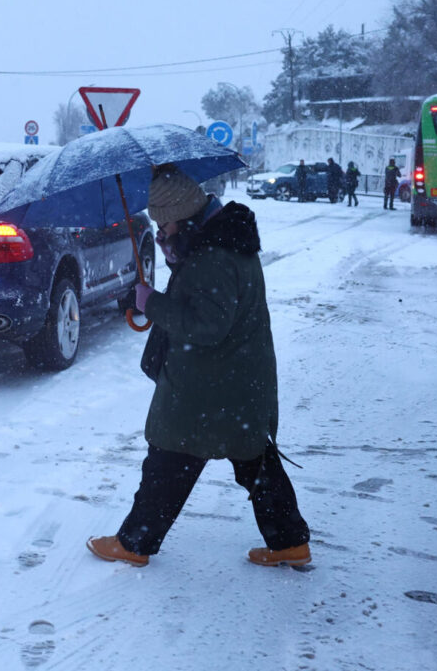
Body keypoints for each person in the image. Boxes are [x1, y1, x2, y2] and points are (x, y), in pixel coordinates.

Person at [87, 165, 312, 569]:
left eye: (164, 226)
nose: (161, 234)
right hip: (236, 380)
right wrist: (173, 265)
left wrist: (151, 303)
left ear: (181, 217)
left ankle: (135, 543)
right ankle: (289, 542)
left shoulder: (213, 257)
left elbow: (206, 326)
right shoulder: (222, 241)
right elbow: (206, 301)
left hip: (208, 386)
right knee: (254, 460)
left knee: (169, 460)